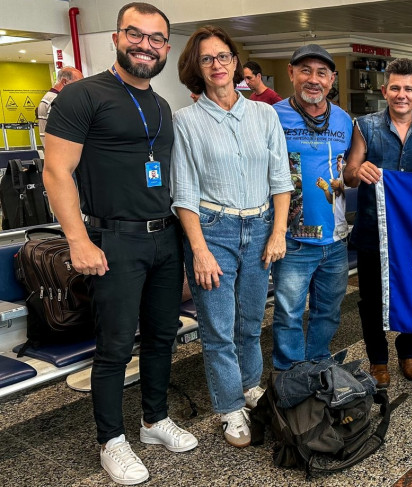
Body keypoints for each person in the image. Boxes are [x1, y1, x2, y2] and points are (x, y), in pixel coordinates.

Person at [42, 3, 197, 484]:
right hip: (113, 240)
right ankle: (111, 440)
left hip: (163, 237)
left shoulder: (160, 104)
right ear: (116, 36)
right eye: (136, 34)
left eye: (156, 39)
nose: (145, 45)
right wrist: (79, 241)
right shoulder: (82, 96)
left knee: (161, 336)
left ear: (166, 48)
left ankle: (153, 421)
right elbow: (56, 171)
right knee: (112, 348)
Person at [171, 25, 292, 448]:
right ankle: (228, 408)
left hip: (260, 229)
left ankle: (249, 386)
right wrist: (199, 250)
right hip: (213, 232)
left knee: (250, 322)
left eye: (223, 56)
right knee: (218, 329)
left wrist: (278, 232)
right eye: (207, 59)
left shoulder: (263, 114)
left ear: (236, 62)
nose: (217, 65)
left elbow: (281, 180)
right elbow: (183, 192)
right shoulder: (186, 121)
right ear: (196, 68)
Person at [343, 58, 412, 388]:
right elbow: (349, 175)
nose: (401, 94)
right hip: (373, 231)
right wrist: (358, 171)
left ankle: (408, 353)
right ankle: (378, 360)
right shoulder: (365, 126)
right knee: (370, 299)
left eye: (408, 88)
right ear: (384, 90)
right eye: (395, 87)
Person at [271, 44, 352, 371]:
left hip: (335, 238)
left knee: (329, 311)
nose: (313, 79)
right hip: (294, 239)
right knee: (288, 314)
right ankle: (290, 375)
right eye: (305, 70)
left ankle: (318, 365)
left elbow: (349, 168)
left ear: (332, 79)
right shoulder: (272, 116)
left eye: (322, 73)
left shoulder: (345, 120)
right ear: (291, 73)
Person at [37, 66, 83, 143]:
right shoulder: (56, 100)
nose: (81, 87)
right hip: (60, 151)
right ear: (64, 82)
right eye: (79, 83)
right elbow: (59, 131)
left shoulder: (49, 97)